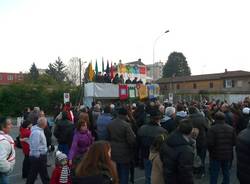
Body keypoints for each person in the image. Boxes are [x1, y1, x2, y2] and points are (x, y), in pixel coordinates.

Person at [137, 108, 167, 184]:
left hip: (146, 155)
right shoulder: (162, 130)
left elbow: (137, 143)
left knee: (148, 175)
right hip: (157, 156)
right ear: (158, 120)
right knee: (158, 176)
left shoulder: (142, 128)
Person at [160, 119, 195, 184]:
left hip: (168, 175)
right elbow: (186, 171)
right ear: (190, 131)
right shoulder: (186, 150)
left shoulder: (168, 139)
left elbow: (162, 155)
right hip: (178, 179)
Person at [107, 107, 136, 184]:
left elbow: (108, 137)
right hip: (124, 152)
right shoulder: (126, 125)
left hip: (113, 150)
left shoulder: (110, 123)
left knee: (117, 172)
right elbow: (132, 139)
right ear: (125, 115)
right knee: (124, 172)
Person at [207, 111, 236, 184]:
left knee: (214, 174)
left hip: (215, 155)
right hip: (227, 154)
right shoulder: (231, 128)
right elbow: (234, 142)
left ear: (215, 119)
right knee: (226, 172)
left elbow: (210, 143)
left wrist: (210, 151)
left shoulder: (212, 129)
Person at [26, 117, 50, 184]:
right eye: (46, 123)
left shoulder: (38, 130)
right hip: (39, 157)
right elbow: (34, 146)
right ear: (43, 124)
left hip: (38, 156)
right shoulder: (37, 132)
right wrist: (38, 156)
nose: (46, 124)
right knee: (43, 174)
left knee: (33, 174)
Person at [188, 106, 209, 177]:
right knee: (201, 156)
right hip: (202, 139)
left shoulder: (187, 119)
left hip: (190, 140)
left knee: (192, 156)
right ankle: (201, 171)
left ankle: (194, 170)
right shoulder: (202, 118)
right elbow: (207, 128)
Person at [0, 117, 15, 184]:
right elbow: (1, 161)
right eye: (9, 124)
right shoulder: (3, 141)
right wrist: (8, 169)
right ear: (3, 127)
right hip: (2, 173)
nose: (11, 126)